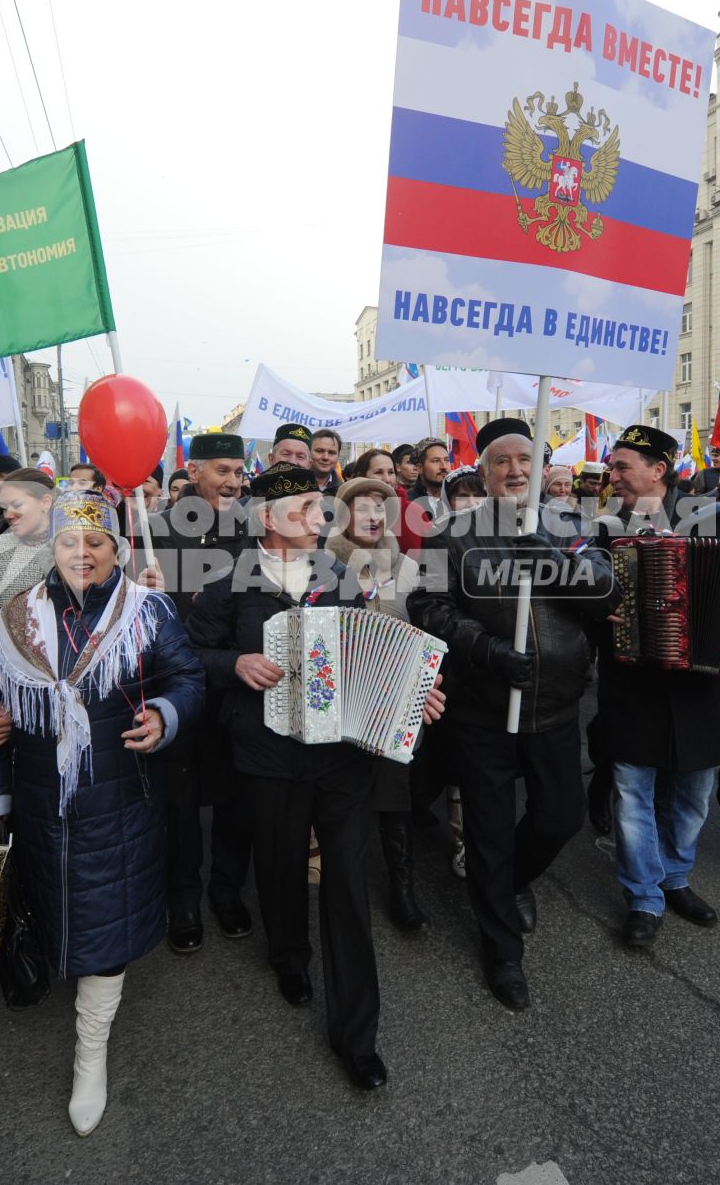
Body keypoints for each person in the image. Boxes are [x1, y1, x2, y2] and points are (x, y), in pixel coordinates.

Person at [186, 464, 443, 1090]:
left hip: (341, 758)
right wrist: (233, 662)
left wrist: (415, 692)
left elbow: (371, 647)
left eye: (319, 509)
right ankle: (288, 957)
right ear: (267, 520)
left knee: (348, 885)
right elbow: (188, 658)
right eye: (304, 508)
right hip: (268, 757)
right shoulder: (226, 586)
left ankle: (357, 1034)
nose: (318, 519)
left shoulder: (339, 578)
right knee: (276, 868)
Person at [0, 490, 203, 1135]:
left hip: (121, 799)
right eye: (70, 541)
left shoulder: (147, 612)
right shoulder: (13, 620)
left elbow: (187, 679)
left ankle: (89, 1054)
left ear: (115, 550)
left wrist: (165, 714)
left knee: (105, 927)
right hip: (39, 804)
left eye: (96, 542)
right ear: (53, 548)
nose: (82, 552)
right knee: (47, 907)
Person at [406, 419, 617, 1011]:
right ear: (484, 470)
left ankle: (506, 881)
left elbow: (606, 594)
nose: (516, 471)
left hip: (553, 706)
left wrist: (550, 555)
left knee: (559, 817)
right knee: (490, 830)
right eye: (502, 462)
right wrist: (488, 651)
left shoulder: (574, 527)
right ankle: (500, 946)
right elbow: (427, 604)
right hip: (482, 710)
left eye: (526, 460)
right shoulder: (449, 535)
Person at [590, 426, 720, 946]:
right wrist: (602, 606)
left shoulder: (717, 518)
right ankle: (644, 895)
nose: (613, 476)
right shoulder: (605, 527)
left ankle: (676, 876)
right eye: (613, 467)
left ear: (658, 470)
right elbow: (584, 592)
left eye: (622, 466)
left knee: (695, 794)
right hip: (633, 684)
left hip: (705, 686)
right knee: (632, 793)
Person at [155, 433, 256, 952]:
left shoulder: (252, 531)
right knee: (181, 800)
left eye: (239, 472)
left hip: (234, 679)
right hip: (176, 683)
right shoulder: (153, 533)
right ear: (192, 472)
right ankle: (183, 899)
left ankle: (227, 889)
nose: (233, 482)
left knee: (236, 794)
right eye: (223, 471)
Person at [324, 475, 430, 932]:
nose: (371, 516)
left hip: (394, 698)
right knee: (342, 796)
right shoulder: (323, 564)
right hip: (340, 699)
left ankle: (401, 885)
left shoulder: (406, 567)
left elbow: (426, 629)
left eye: (379, 508)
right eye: (360, 507)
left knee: (394, 791)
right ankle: (341, 887)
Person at [0, 469, 60, 609]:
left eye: (17, 505)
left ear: (45, 502)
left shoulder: (78, 547)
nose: (8, 515)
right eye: (4, 508)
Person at [309, 428, 343, 493]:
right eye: (319, 451)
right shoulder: (293, 486)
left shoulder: (344, 492)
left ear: (338, 456)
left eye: (331, 453)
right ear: (308, 452)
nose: (325, 457)